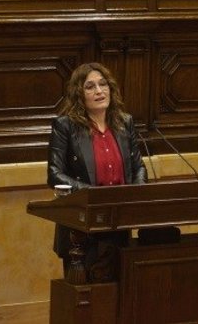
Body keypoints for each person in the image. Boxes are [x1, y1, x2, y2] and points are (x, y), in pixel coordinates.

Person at [47, 62, 147, 280]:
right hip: (82, 228)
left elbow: (138, 166)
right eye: (90, 87)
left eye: (103, 84)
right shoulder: (65, 126)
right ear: (78, 94)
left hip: (119, 221)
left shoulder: (124, 122)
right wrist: (94, 195)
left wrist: (137, 194)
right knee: (87, 298)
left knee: (120, 292)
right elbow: (55, 174)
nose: (99, 91)